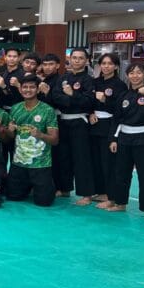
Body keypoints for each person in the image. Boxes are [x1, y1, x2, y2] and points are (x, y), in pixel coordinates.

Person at [100, 63, 144, 221]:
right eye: (132, 73)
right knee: (121, 173)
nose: (135, 76)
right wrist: (113, 139)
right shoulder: (123, 95)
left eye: (139, 72)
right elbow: (116, 119)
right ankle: (120, 203)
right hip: (124, 138)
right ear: (127, 76)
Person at [6, 75, 60, 206]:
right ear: (20, 89)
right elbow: (10, 137)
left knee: (44, 202)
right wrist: (10, 131)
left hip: (40, 164)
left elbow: (55, 140)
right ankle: (27, 186)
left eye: (32, 87)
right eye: (25, 87)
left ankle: (44, 186)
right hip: (19, 163)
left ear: (38, 90)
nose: (28, 90)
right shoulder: (15, 108)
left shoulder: (47, 110)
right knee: (12, 197)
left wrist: (40, 135)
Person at [51, 47, 96, 204]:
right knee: (62, 156)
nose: (77, 61)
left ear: (86, 61)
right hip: (63, 121)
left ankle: (86, 194)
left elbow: (89, 102)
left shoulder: (89, 80)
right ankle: (64, 188)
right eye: (74, 57)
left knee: (81, 158)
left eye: (80, 58)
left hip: (79, 122)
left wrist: (72, 95)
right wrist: (71, 100)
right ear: (69, 59)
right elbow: (55, 97)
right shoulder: (63, 78)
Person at [89, 53, 127, 203]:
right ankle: (99, 190)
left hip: (110, 124)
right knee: (95, 160)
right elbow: (88, 101)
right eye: (103, 63)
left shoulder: (120, 85)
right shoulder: (95, 82)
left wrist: (105, 100)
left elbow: (120, 109)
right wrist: (90, 113)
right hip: (94, 124)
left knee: (108, 161)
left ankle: (109, 194)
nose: (106, 66)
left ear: (116, 66)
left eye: (110, 63)